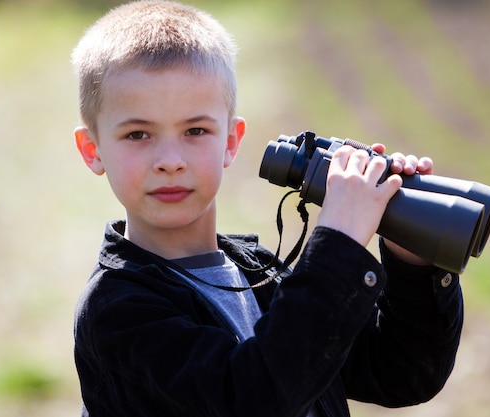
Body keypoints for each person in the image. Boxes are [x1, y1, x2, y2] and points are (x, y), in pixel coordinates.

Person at [71, 1, 464, 416]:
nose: (171, 160)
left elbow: (400, 372)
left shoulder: (260, 275)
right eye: (138, 134)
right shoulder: (118, 310)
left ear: (231, 141)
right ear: (92, 149)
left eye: (195, 130)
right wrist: (338, 248)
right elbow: (251, 398)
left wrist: (413, 265)